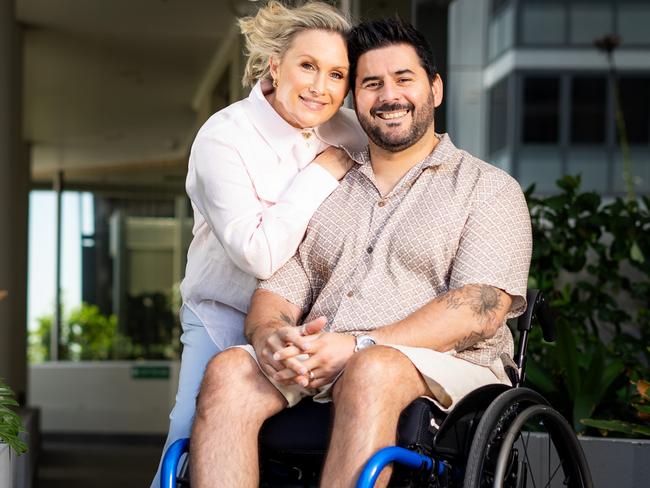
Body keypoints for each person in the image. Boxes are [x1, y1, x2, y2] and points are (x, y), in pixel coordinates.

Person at [190, 18, 532, 488]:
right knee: (230, 369)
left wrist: (359, 345)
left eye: (403, 79)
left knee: (372, 369)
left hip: (451, 369)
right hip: (326, 357)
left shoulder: (487, 189)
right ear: (356, 101)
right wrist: (270, 335)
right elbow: (279, 288)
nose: (389, 96)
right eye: (372, 83)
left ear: (435, 89)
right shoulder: (328, 184)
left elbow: (480, 308)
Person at [150, 2, 367, 486]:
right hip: (226, 315)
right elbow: (259, 254)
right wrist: (320, 172)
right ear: (275, 65)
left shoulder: (349, 130)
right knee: (188, 441)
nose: (320, 87)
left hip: (321, 321)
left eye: (337, 75)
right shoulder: (224, 138)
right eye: (307, 66)